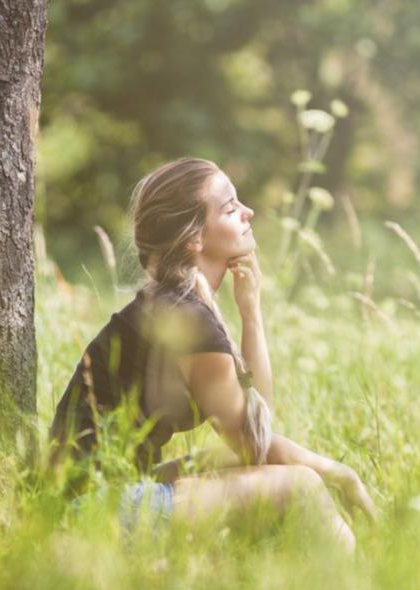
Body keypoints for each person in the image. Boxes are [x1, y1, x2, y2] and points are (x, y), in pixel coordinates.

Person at [49, 158, 376, 552]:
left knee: (235, 462)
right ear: (194, 240)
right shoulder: (186, 318)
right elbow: (255, 440)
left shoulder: (174, 305)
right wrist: (251, 315)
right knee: (301, 487)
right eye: (230, 208)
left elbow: (256, 439)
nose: (248, 212)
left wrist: (342, 474)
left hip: (91, 496)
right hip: (91, 508)